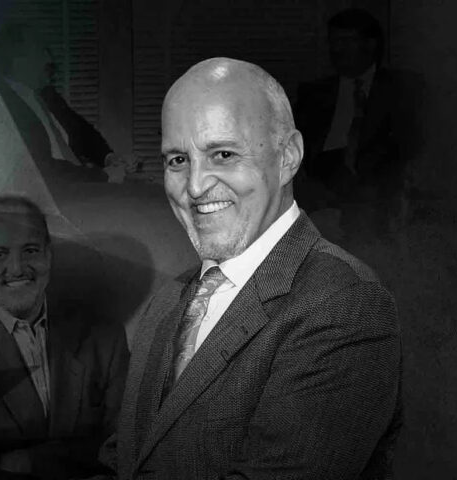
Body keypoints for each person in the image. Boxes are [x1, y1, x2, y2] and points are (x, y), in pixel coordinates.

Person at [100, 58, 402, 479]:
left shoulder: (345, 306)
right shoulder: (168, 303)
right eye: (178, 160)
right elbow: (124, 463)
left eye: (223, 154)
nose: (195, 186)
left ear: (288, 156)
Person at [0, 196, 130, 480]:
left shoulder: (106, 340)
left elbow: (127, 446)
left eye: (30, 250)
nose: (17, 268)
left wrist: (29, 461)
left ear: (48, 256)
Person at [295, 8, 419, 221]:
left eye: (345, 41)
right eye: (333, 41)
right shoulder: (314, 94)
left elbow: (409, 146)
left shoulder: (400, 88)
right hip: (323, 183)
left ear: (370, 44)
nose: (337, 49)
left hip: (377, 187)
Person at [0, 23, 137, 185]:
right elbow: (43, 171)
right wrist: (102, 176)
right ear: (19, 61)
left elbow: (82, 131)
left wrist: (109, 158)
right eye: (41, 52)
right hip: (61, 193)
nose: (49, 60)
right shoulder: (2, 110)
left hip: (83, 184)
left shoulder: (48, 95)